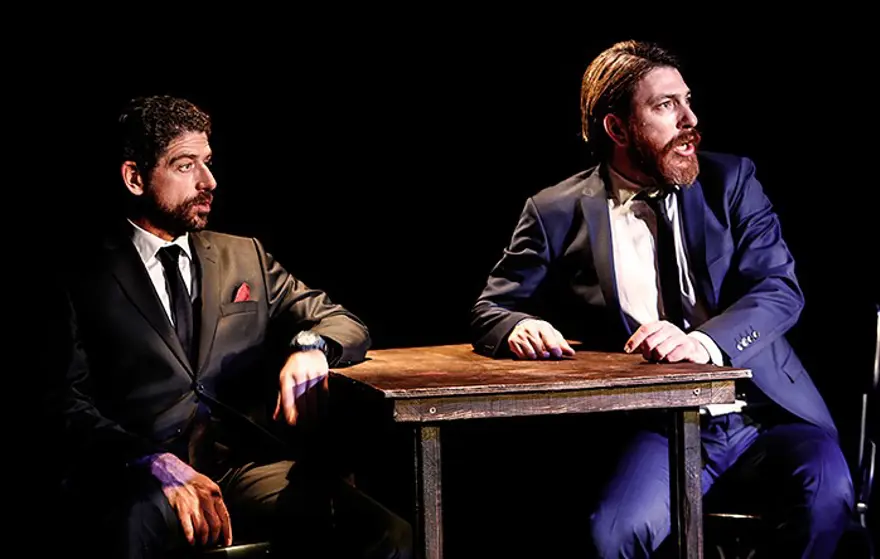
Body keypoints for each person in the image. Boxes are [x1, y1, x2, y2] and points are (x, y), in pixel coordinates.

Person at [469, 40, 853, 557]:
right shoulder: (555, 210)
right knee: (612, 537)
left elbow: (779, 288)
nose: (690, 120)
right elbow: (491, 308)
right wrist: (515, 326)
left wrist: (704, 343)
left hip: (763, 413)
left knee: (827, 495)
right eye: (666, 105)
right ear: (618, 129)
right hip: (658, 427)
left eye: (687, 101)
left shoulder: (731, 181)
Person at [47, 95, 412, 559]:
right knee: (128, 525)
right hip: (139, 474)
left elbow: (341, 321)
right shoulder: (79, 273)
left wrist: (310, 346)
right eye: (186, 166)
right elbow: (63, 403)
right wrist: (150, 462)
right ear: (135, 178)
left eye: (208, 162)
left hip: (240, 469)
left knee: (387, 533)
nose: (208, 181)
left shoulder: (244, 256)